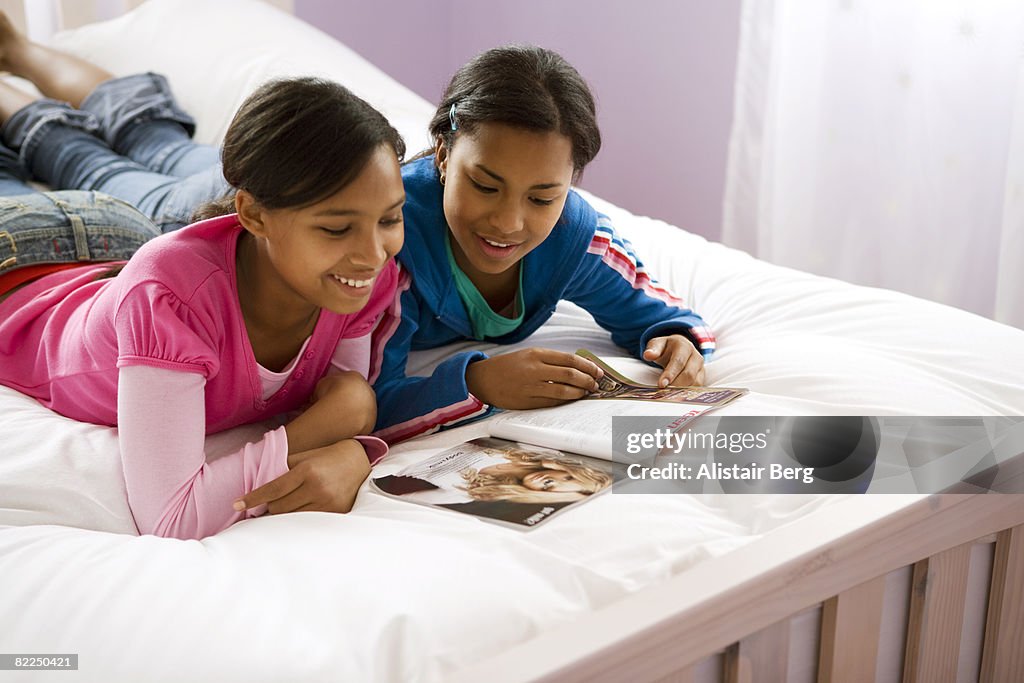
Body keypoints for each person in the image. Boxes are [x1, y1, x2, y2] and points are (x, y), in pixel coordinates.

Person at [0, 68, 409, 540]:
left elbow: (336, 405)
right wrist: (348, 438)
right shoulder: (170, 300)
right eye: (337, 228)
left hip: (120, 237)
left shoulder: (360, 277)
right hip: (16, 260)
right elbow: (171, 518)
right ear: (253, 214)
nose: (373, 253)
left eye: (390, 218)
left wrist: (351, 438)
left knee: (80, 156)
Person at [371, 45, 717, 443]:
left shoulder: (574, 239)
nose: (507, 223)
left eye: (541, 198)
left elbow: (662, 314)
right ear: (444, 155)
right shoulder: (387, 244)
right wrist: (476, 382)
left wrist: (678, 342)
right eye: (485, 186)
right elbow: (369, 402)